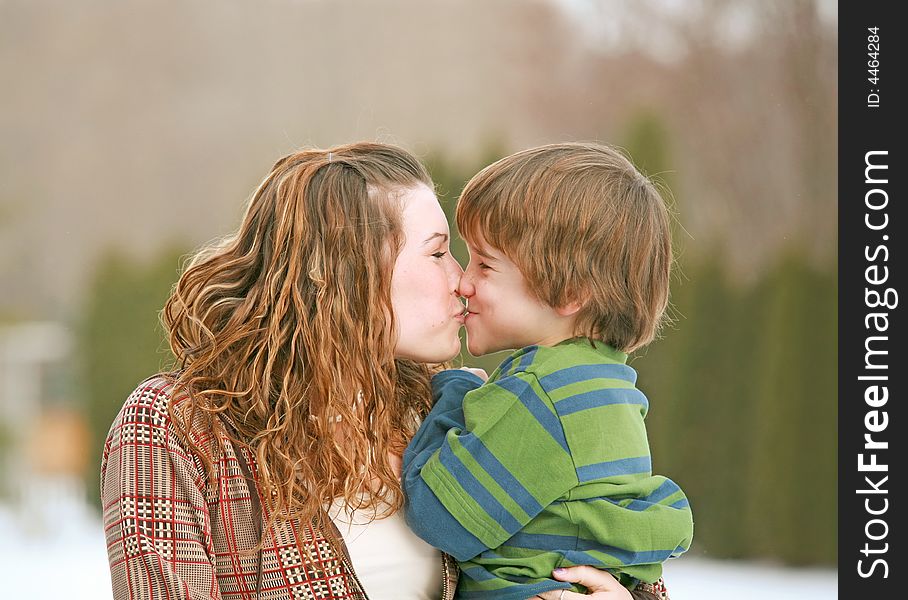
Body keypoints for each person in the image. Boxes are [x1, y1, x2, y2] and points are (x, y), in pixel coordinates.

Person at [101, 141, 663, 600]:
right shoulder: (177, 426)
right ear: (353, 271)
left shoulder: (464, 408)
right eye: (439, 252)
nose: (462, 281)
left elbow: (612, 541)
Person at [402, 142, 693, 599]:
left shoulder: (544, 395)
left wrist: (454, 395)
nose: (463, 282)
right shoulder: (606, 384)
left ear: (568, 291)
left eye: (485, 264)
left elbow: (440, 517)